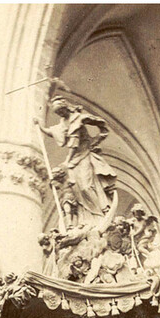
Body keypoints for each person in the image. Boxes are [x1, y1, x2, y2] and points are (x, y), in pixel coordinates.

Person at [35, 97, 117, 228]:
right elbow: (55, 131)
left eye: (61, 111)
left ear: (66, 107)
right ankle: (84, 219)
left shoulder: (77, 119)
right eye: (58, 113)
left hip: (82, 156)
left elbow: (74, 144)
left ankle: (99, 214)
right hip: (74, 160)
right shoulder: (63, 122)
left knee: (85, 187)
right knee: (75, 188)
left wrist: (95, 140)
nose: (60, 114)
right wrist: (40, 127)